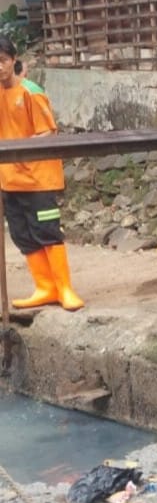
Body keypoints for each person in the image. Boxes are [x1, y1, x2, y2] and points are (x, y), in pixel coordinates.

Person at [0, 37, 84, 311]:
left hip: (37, 178)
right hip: (10, 178)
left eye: (2, 61)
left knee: (46, 230)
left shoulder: (30, 92)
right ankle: (45, 287)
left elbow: (47, 132)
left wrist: (21, 151)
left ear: (13, 60)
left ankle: (65, 288)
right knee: (22, 234)